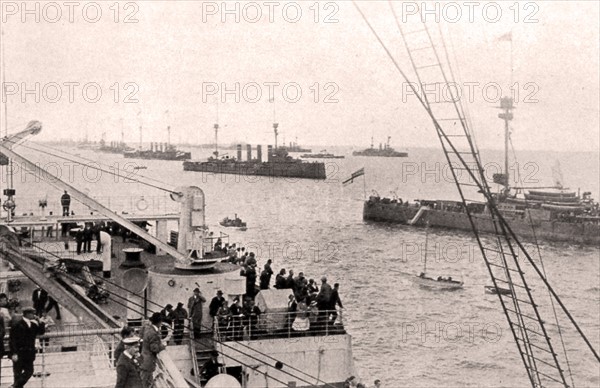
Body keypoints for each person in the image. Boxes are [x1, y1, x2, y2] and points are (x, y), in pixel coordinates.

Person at [9, 306, 46, 388]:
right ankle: (16, 386)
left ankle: (14, 386)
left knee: (29, 371)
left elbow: (41, 331)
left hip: (29, 353)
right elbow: (13, 340)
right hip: (19, 352)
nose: (34, 315)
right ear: (27, 314)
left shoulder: (33, 325)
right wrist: (14, 353)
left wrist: (40, 321)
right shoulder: (17, 325)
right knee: (17, 373)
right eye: (33, 313)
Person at [140, 312, 166, 388]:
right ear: (159, 322)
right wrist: (163, 346)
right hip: (148, 362)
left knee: (146, 382)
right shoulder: (153, 333)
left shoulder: (148, 329)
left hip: (145, 360)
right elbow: (154, 348)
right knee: (145, 383)